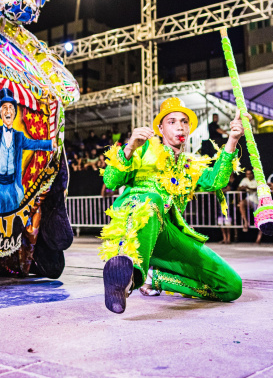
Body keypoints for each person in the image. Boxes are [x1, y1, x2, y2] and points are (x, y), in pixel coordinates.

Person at [98, 97, 246, 313]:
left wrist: (232, 139)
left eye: (184, 121)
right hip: (136, 232)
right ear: (160, 128)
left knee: (232, 287)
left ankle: (155, 278)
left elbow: (217, 181)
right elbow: (110, 180)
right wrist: (129, 147)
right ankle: (127, 277)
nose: (180, 126)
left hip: (169, 237)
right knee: (153, 199)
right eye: (172, 121)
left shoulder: (190, 165)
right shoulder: (143, 150)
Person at [0, 88, 55, 214]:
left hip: (12, 187)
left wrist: (50, 144)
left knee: (11, 221)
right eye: (4, 107)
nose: (8, 110)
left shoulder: (19, 136)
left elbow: (34, 144)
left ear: (14, 113)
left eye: (11, 107)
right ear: (0, 113)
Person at [237, 168, 259, 232]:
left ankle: (259, 237)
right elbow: (238, 188)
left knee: (259, 219)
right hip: (249, 200)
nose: (248, 175)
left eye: (250, 174)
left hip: (257, 202)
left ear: (253, 174)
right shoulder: (244, 180)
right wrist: (241, 188)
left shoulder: (257, 180)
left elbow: (257, 189)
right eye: (247, 174)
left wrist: (248, 188)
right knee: (241, 203)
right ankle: (245, 222)